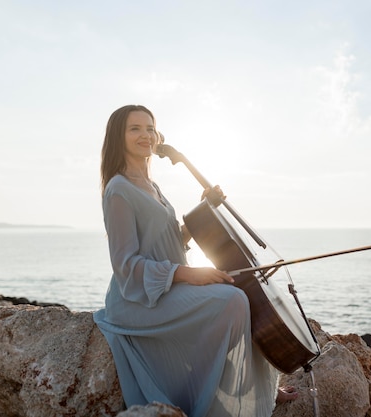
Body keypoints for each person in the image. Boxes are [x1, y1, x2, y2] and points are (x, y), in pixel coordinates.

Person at [93, 105, 297, 417]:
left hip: (163, 288)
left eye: (150, 127)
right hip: (135, 299)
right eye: (134, 128)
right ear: (118, 137)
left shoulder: (153, 187)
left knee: (237, 294)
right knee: (231, 300)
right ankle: (201, 393)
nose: (146, 135)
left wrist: (203, 212)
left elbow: (168, 241)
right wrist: (188, 274)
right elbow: (124, 264)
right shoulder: (118, 189)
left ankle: (252, 386)